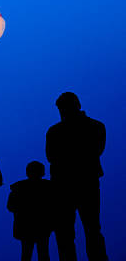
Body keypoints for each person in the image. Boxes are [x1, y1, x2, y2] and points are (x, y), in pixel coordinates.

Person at [46, 92, 107, 261]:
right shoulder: (96, 126)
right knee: (91, 228)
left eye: (62, 108)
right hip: (87, 182)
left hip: (65, 185)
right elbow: (97, 151)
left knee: (67, 232)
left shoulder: (55, 131)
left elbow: (51, 157)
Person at [7, 161, 55, 261]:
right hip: (43, 226)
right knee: (44, 253)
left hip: (24, 226)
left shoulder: (18, 188)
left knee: (26, 254)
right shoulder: (49, 187)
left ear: (27, 172)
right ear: (42, 172)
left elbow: (10, 207)